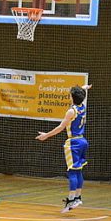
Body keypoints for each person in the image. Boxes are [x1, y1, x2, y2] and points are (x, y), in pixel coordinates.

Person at [36, 84, 92, 213]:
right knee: (78, 171)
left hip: (73, 143)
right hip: (83, 141)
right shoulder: (82, 107)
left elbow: (60, 128)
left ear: (72, 97)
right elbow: (80, 95)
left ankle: (71, 200)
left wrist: (46, 135)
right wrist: (84, 88)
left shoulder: (71, 111)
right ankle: (78, 197)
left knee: (72, 171)